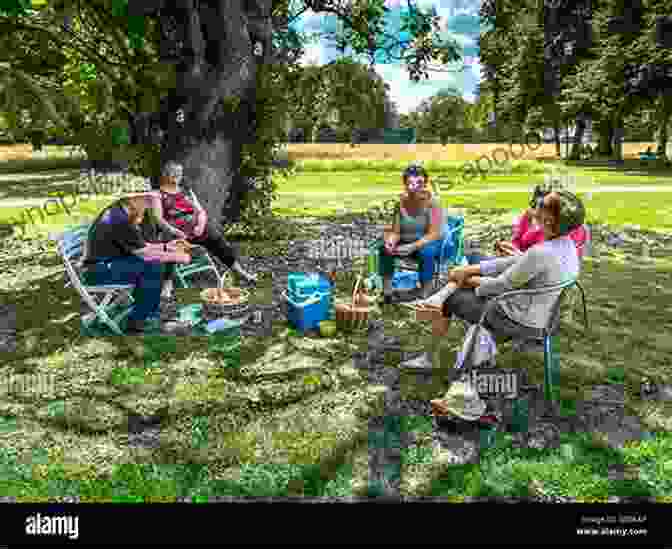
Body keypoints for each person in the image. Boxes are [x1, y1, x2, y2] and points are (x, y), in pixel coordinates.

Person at [401, 190, 585, 370]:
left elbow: (500, 286)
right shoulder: (566, 245)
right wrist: (472, 270)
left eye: (542, 206)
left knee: (453, 299)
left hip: (517, 319)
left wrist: (467, 278)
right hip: (542, 313)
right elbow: (517, 261)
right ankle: (440, 296)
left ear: (548, 221)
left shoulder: (541, 252)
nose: (536, 208)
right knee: (474, 257)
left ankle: (430, 355)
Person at [82, 186, 192, 334]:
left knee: (155, 264)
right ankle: (141, 321)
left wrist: (166, 247)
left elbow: (140, 246)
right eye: (146, 199)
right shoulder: (119, 219)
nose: (149, 204)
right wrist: (177, 256)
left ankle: (146, 314)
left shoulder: (119, 211)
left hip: (107, 264)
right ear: (131, 198)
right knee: (153, 267)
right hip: (97, 271)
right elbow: (144, 254)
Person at [151, 162, 257, 297]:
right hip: (175, 231)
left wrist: (201, 224)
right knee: (171, 243)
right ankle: (167, 283)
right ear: (165, 174)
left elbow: (200, 211)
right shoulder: (157, 194)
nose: (178, 175)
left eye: (179, 172)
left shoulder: (186, 191)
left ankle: (239, 272)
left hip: (196, 229)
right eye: (174, 172)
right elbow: (159, 219)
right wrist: (175, 231)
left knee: (216, 238)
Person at [466, 184, 588, 263]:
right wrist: (508, 248)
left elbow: (536, 262)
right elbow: (519, 240)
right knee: (473, 255)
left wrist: (517, 256)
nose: (535, 211)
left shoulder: (557, 237)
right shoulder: (539, 224)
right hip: (518, 262)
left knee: (473, 257)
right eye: (535, 205)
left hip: (519, 271)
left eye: (540, 207)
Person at [378, 163, 444, 304]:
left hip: (426, 242)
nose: (414, 186)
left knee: (427, 252)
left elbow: (434, 233)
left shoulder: (433, 203)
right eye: (410, 182)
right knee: (384, 248)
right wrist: (391, 240)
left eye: (419, 182)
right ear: (405, 184)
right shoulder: (400, 203)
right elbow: (396, 231)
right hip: (406, 242)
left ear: (425, 183)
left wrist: (412, 246)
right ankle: (387, 292)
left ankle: (425, 293)